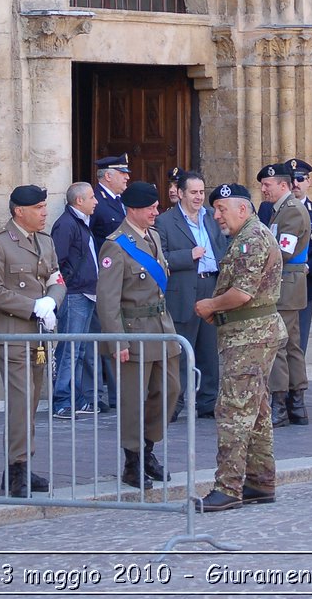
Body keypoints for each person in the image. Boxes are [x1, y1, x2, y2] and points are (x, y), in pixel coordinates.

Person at [195, 183, 287, 512]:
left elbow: (242, 294)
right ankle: (260, 481)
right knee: (256, 411)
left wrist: (211, 305)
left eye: (221, 209)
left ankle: (228, 486)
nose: (216, 215)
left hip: (250, 335)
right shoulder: (247, 236)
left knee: (233, 411)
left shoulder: (252, 238)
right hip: (247, 331)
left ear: (242, 209)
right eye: (215, 209)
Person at [0, 184, 65, 498]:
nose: (44, 213)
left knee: (30, 402)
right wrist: (32, 307)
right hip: (13, 333)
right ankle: (17, 470)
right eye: (39, 208)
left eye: (44, 206)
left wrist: (52, 302)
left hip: (38, 336)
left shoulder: (45, 241)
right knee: (20, 402)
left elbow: (57, 278)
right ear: (20, 211)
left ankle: (22, 464)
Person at [96, 180, 180, 489]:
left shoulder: (154, 237)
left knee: (170, 390)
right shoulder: (116, 245)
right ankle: (132, 461)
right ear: (133, 210)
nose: (157, 212)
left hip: (161, 328)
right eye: (151, 208)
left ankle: (148, 448)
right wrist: (118, 340)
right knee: (133, 399)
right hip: (133, 333)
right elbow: (107, 300)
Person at [156, 170, 228, 419]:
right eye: (194, 192)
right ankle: (173, 404)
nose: (199, 197)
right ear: (181, 193)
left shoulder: (210, 218)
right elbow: (158, 258)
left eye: (201, 192)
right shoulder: (165, 222)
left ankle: (208, 402)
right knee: (179, 349)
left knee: (209, 348)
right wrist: (188, 255)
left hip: (210, 287)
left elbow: (222, 247)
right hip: (183, 290)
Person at [258, 158, 312, 352]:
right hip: (273, 284)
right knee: (276, 342)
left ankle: (295, 383)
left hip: (303, 283)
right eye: (293, 179)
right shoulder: (268, 208)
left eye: (301, 179)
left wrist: (308, 267)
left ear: (309, 181)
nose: (296, 183)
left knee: (297, 343)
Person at [256, 162, 311, 426]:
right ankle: (295, 404)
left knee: (278, 344)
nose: (264, 190)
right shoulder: (281, 211)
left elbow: (283, 252)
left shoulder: (291, 211)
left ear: (283, 185)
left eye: (267, 185)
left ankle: (281, 402)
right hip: (287, 284)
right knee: (289, 344)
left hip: (285, 285)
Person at [50, 182, 100, 418]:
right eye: (91, 197)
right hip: (74, 293)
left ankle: (76, 397)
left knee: (79, 350)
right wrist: (67, 283)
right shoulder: (66, 224)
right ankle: (61, 400)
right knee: (69, 350)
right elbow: (57, 260)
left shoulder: (81, 222)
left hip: (87, 291)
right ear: (79, 201)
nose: (96, 201)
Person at [91, 153, 131, 409]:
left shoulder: (119, 202)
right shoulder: (98, 203)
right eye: (122, 173)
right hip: (108, 278)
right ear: (108, 176)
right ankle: (107, 394)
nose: (127, 177)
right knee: (108, 335)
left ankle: (120, 392)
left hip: (126, 279)